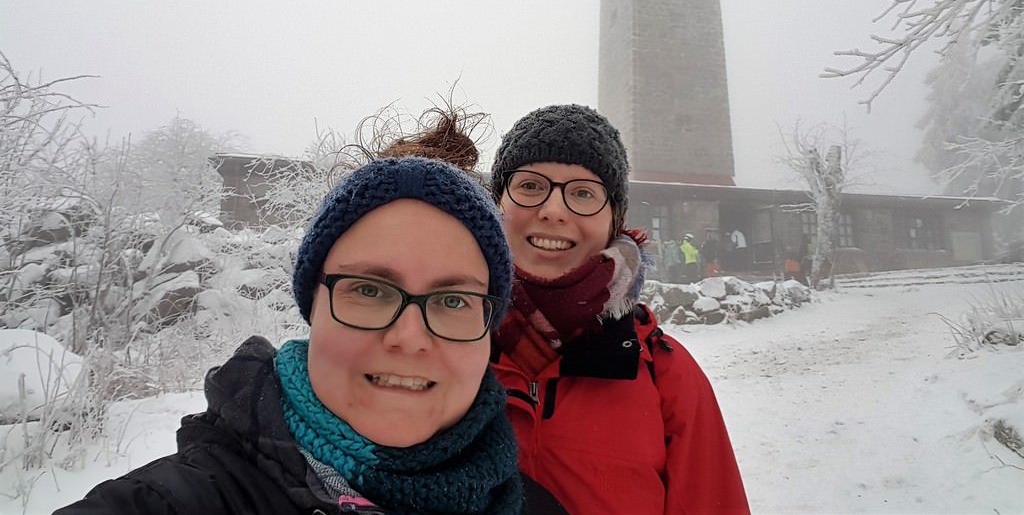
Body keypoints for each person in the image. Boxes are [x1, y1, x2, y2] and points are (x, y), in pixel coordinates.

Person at [55, 118, 566, 514]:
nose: (410, 337)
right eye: (369, 289)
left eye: (453, 301)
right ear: (312, 307)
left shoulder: (540, 507)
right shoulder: (172, 502)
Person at [489, 104, 750, 515]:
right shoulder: (433, 348)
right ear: (496, 203)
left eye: (582, 193)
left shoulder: (666, 377)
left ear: (614, 218)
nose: (553, 210)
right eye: (530, 186)